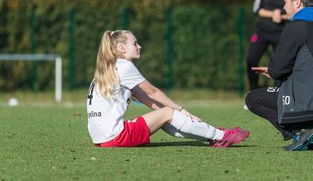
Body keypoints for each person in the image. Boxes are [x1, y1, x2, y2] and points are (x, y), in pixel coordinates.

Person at [87, 30, 250, 148]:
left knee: (166, 115)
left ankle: (212, 136)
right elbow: (153, 92)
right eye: (134, 43)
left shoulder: (106, 69)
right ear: (122, 48)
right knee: (168, 113)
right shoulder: (124, 66)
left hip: (100, 139)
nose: (139, 46)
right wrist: (181, 110)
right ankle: (220, 136)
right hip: (117, 136)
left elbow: (145, 98)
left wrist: (174, 114)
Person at [245, 0, 313, 151]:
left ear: (297, 2)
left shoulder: (296, 27)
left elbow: (277, 69)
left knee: (252, 98)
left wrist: (274, 71)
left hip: (305, 104)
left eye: (285, 2)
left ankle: (299, 132)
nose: (284, 7)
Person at [246, 0, 290, 91]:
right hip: (262, 31)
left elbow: (296, 12)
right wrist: (273, 14)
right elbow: (257, 9)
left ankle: (277, 93)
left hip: (281, 32)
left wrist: (281, 16)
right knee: (251, 59)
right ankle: (253, 90)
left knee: (279, 65)